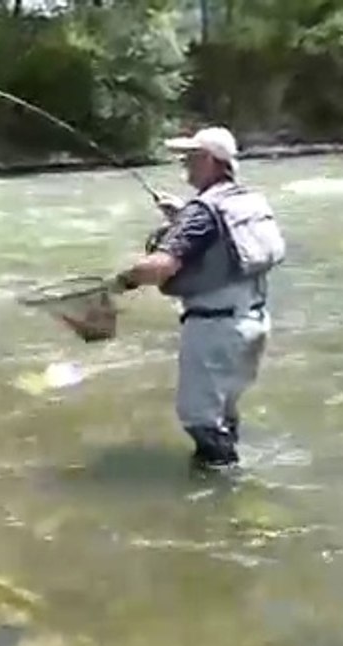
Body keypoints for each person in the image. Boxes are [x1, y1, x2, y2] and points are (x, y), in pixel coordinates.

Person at [109, 126, 286, 469]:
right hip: (253, 323)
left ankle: (224, 492)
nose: (184, 166)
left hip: (214, 327)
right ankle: (228, 468)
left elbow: (160, 267)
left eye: (190, 158)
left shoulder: (201, 213)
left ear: (209, 160)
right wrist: (181, 216)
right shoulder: (247, 200)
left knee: (199, 419)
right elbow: (225, 240)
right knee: (224, 410)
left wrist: (121, 280)